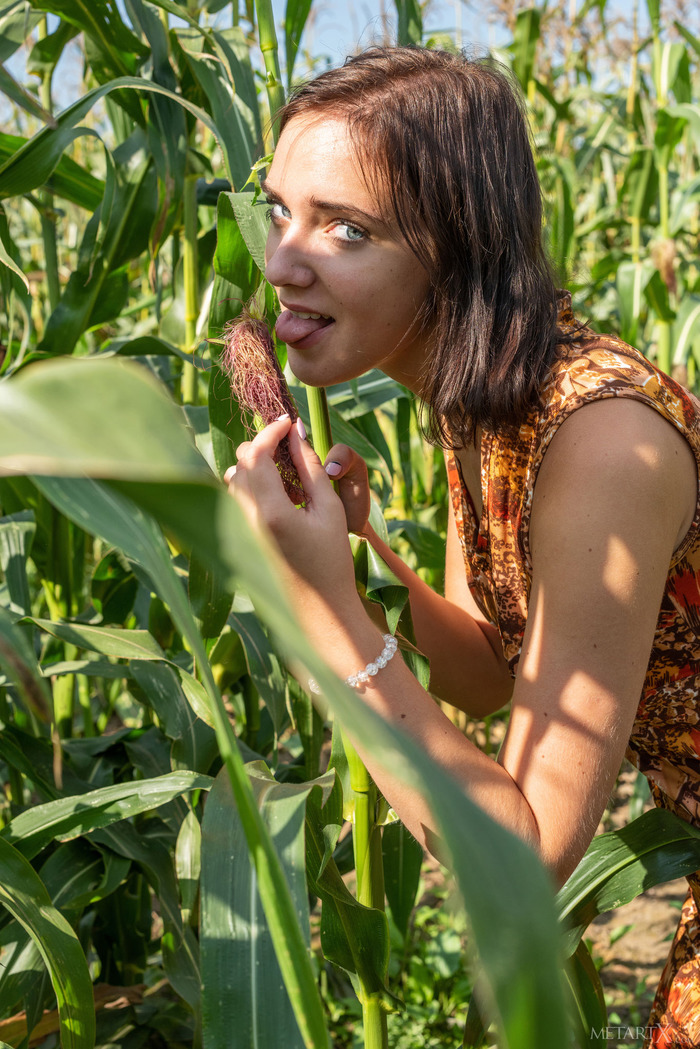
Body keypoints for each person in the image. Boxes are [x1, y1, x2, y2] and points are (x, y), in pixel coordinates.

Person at [225, 46, 700, 1045]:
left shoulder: (601, 439)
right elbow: (488, 670)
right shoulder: (483, 406)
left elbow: (522, 867)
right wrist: (362, 556)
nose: (279, 262)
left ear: (456, 251)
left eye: (345, 228)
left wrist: (325, 609)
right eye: (280, 210)